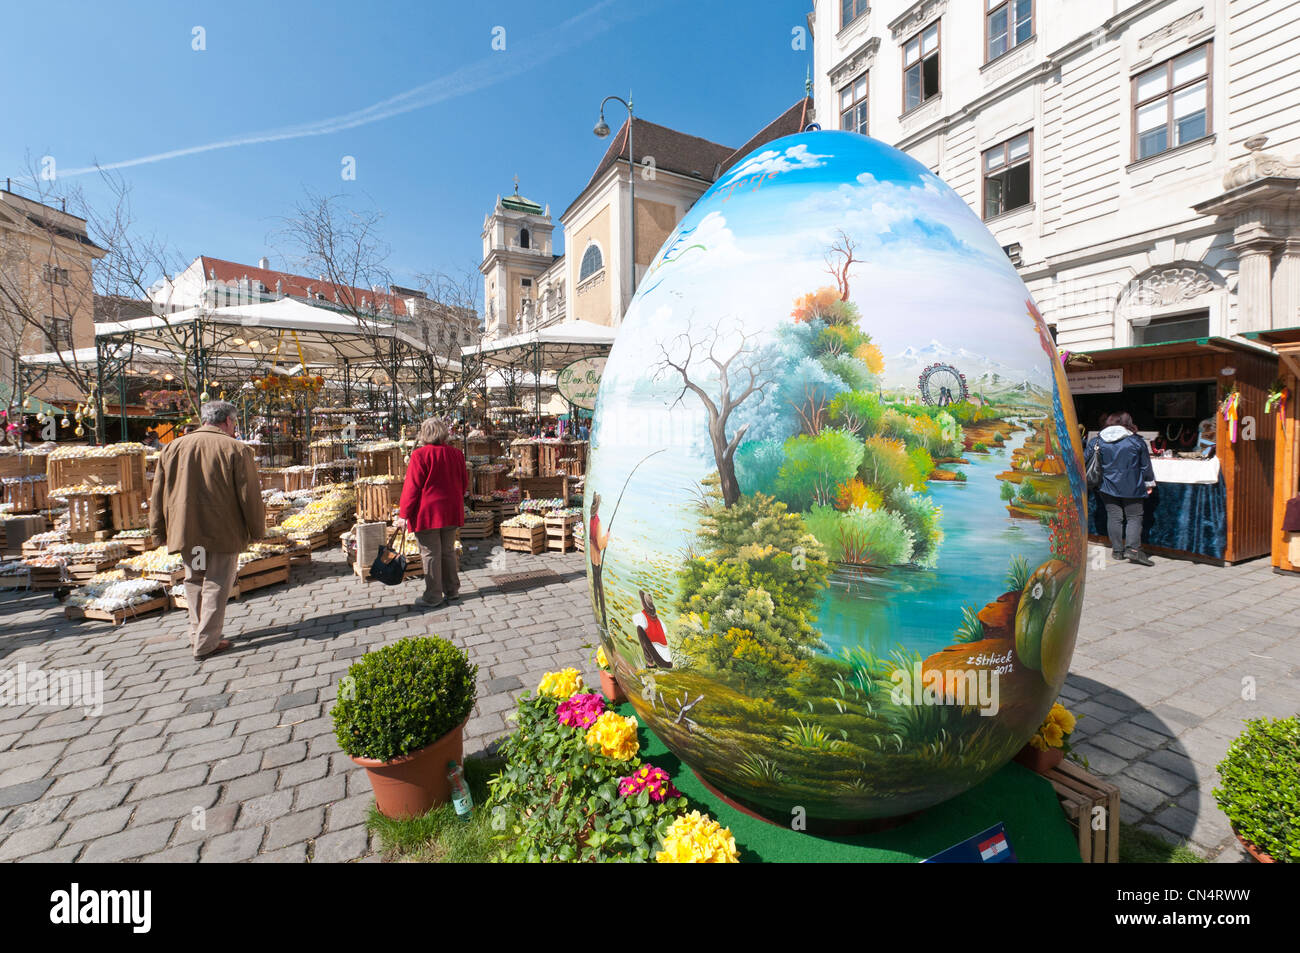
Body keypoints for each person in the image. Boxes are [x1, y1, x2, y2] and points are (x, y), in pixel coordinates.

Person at [149, 400, 265, 660]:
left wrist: (157, 530)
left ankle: (198, 634)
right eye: (234, 423)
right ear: (227, 421)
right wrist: (257, 528)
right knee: (217, 582)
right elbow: (249, 495)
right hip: (221, 531)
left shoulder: (173, 448)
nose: (235, 428)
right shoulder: (236, 449)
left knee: (196, 580)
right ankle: (206, 641)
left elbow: (158, 493)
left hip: (190, 532)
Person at [399, 417, 468, 609]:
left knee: (430, 553)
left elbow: (411, 488)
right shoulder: (456, 454)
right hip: (450, 510)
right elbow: (464, 483)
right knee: (447, 552)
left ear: (424, 434)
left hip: (428, 512)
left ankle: (433, 595)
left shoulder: (420, 456)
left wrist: (403, 514)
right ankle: (452, 591)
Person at [1086, 411, 1156, 566]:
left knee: (1114, 516)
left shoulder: (1096, 441)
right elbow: (1145, 466)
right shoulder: (1136, 441)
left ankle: (1117, 551)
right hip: (1133, 485)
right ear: (1128, 423)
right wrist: (1149, 483)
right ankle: (1132, 549)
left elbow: (1086, 459)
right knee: (1134, 517)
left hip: (1106, 485)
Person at [588, 493, 612, 633]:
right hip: (596, 553)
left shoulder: (591, 518)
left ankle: (597, 606)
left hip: (591, 552)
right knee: (599, 585)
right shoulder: (596, 520)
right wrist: (607, 537)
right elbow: (600, 542)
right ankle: (602, 614)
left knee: (596, 582)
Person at [633, 590, 672, 669]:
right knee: (643, 630)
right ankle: (652, 664)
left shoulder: (642, 616)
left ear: (643, 604)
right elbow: (665, 630)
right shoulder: (657, 619)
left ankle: (650, 664)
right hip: (665, 657)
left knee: (639, 629)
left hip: (657, 654)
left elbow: (634, 619)